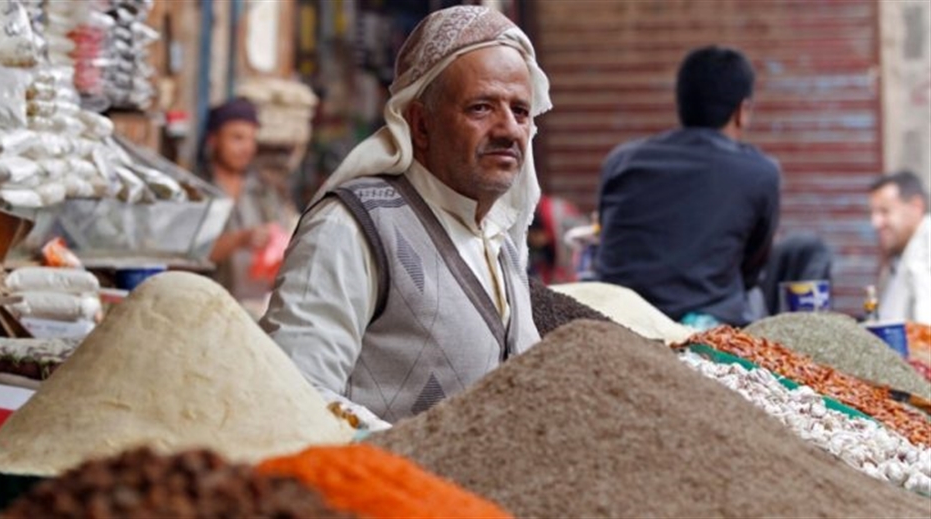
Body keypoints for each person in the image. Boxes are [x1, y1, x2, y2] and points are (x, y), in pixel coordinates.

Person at [260, 5, 552, 426]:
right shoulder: (351, 229)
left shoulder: (499, 240)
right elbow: (295, 393)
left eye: (520, 112)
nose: (509, 130)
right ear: (420, 124)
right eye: (481, 108)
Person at [594, 45, 781, 327]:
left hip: (618, 319)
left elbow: (608, 238)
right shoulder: (760, 172)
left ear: (681, 103)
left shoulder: (621, 160)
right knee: (753, 297)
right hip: (700, 326)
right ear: (742, 111)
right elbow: (752, 268)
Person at [201, 98, 296, 310]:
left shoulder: (265, 191)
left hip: (257, 308)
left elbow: (285, 245)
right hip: (207, 306)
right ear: (213, 139)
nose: (247, 148)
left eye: (252, 140)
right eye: (237, 138)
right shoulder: (198, 191)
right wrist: (240, 240)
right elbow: (184, 254)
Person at [868, 171, 931, 324]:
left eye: (884, 211)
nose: (875, 223)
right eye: (873, 213)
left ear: (916, 206)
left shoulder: (925, 249)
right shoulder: (902, 252)